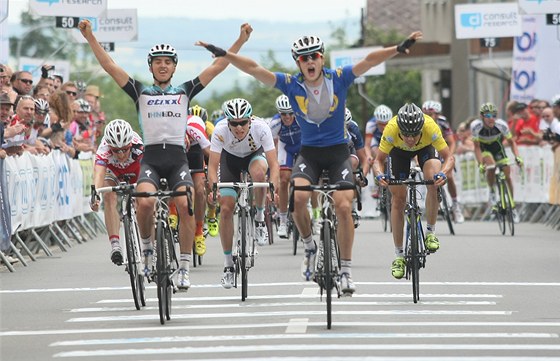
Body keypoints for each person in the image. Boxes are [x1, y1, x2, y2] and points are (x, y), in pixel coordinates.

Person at [197, 30, 422, 294]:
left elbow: (370, 60)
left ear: (322, 58)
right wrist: (226, 54)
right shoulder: (292, 84)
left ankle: (346, 272)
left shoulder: (339, 78)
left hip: (338, 152)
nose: (309, 61)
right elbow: (255, 69)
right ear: (297, 63)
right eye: (303, 58)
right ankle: (309, 246)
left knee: (343, 204)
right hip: (310, 153)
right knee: (299, 199)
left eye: (314, 56)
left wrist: (398, 47)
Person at [79, 19, 253, 291]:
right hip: (150, 160)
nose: (163, 65)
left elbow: (218, 66)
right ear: (151, 67)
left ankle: (183, 267)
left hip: (177, 160)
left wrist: (240, 41)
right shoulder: (140, 92)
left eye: (168, 62)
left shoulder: (184, 91)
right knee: (145, 203)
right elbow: (110, 66)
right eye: (157, 61)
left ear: (174, 66)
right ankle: (147, 251)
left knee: (185, 205)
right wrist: (90, 37)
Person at [373, 103, 454, 280]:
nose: (410, 139)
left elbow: (449, 157)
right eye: (406, 135)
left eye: (414, 134)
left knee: (432, 180)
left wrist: (443, 174)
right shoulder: (391, 129)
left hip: (425, 149)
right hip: (398, 153)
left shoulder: (430, 126)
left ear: (421, 129)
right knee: (398, 199)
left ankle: (430, 232)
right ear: (399, 129)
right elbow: (378, 161)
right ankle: (399, 256)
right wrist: (379, 176)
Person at [206, 98, 279, 289]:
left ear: (250, 120)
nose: (239, 128)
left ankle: (260, 218)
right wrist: (214, 190)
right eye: (234, 123)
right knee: (227, 208)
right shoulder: (220, 131)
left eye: (243, 123)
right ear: (227, 121)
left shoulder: (261, 128)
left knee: (258, 173)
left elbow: (274, 165)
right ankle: (228, 265)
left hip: (254, 157)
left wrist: (273, 187)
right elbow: (212, 167)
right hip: (229, 162)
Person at [90, 119, 144, 265]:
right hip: (112, 172)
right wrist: (95, 195)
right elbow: (99, 174)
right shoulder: (104, 149)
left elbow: (148, 172)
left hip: (135, 170)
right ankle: (115, 245)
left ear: (130, 145)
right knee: (109, 196)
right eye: (115, 151)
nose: (120, 154)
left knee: (143, 200)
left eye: (125, 149)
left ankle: (148, 243)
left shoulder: (139, 146)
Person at [470, 102, 523, 223]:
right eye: (487, 115)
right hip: (484, 148)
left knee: (507, 174)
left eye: (493, 115)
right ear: (482, 116)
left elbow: (511, 142)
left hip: (497, 146)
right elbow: (476, 147)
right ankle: (493, 192)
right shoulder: (476, 126)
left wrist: (518, 157)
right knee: (491, 165)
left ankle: (512, 206)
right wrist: (480, 163)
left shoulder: (501, 125)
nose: (491, 118)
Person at [422, 100, 464, 223]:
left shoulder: (442, 122)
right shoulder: (420, 123)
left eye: (431, 114)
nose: (429, 117)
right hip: (427, 151)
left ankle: (455, 205)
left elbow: (451, 142)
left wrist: (449, 158)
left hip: (442, 149)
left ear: (437, 115)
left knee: (449, 176)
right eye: (426, 114)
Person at [268, 94, 301, 238]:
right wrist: (272, 169)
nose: (287, 117)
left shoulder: (301, 118)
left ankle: (314, 212)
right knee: (284, 179)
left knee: (307, 177)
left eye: (290, 113)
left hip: (302, 146)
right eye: (283, 114)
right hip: (285, 147)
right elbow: (272, 148)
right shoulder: (275, 124)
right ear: (278, 113)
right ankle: (282, 221)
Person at [185, 108, 211, 256]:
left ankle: (199, 231)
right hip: (175, 153)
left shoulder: (194, 126)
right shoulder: (167, 130)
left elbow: (210, 153)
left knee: (200, 189)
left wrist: (215, 177)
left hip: (196, 152)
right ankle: (173, 212)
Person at [344, 107, 368, 228]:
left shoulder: (353, 128)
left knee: (351, 164)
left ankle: (352, 207)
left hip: (349, 150)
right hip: (333, 152)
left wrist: (362, 175)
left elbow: (363, 157)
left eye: (346, 126)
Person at [367, 104, 392, 199]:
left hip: (388, 141)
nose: (384, 126)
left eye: (386, 124)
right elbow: (367, 145)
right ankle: (377, 184)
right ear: (376, 121)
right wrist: (369, 156)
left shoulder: (394, 124)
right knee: (376, 156)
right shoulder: (370, 125)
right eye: (381, 124)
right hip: (376, 141)